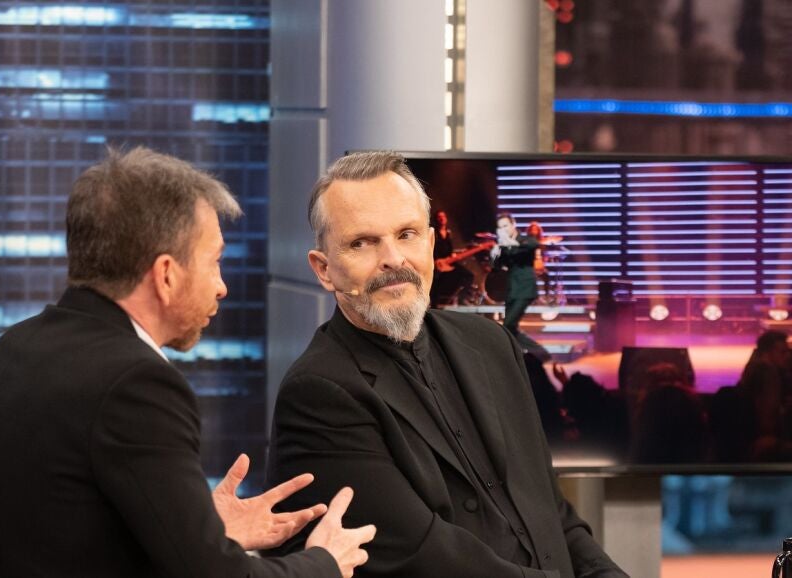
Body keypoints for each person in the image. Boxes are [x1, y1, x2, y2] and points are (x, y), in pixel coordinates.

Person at [0, 147, 375, 578]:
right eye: (214, 262)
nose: (221, 287)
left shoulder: (10, 350)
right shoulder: (136, 384)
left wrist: (200, 526)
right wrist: (324, 563)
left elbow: (58, 530)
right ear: (166, 275)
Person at [266, 151, 627, 578]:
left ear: (431, 244)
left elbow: (552, 511)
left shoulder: (492, 344)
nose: (393, 259)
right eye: (362, 242)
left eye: (406, 234)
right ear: (324, 270)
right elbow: (429, 560)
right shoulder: (318, 393)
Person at [491, 212, 539, 336]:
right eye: (500, 228)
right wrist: (495, 254)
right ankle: (525, 348)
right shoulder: (503, 246)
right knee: (511, 330)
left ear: (513, 224)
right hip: (512, 289)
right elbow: (496, 266)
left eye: (505, 226)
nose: (503, 230)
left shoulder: (526, 240)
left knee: (508, 325)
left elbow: (533, 244)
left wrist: (510, 243)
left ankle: (534, 351)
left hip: (525, 288)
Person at [430, 210, 475, 305]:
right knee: (436, 281)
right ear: (436, 219)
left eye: (443, 216)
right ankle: (435, 304)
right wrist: (435, 260)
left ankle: (461, 298)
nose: (442, 218)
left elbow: (449, 249)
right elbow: (430, 248)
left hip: (449, 262)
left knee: (469, 275)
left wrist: (455, 254)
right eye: (439, 217)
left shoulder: (449, 232)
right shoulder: (433, 232)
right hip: (437, 263)